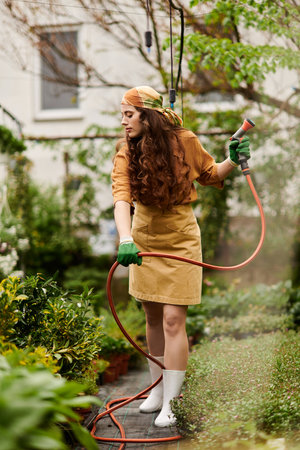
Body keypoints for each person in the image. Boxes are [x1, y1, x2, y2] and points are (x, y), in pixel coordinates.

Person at [111, 86, 250, 427]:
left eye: (129, 114)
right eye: (123, 114)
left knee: (174, 320)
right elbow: (121, 197)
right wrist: (126, 237)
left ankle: (171, 403)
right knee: (153, 317)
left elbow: (210, 175)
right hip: (143, 234)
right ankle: (157, 390)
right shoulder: (126, 150)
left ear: (149, 114)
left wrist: (232, 158)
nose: (124, 121)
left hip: (181, 236)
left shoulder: (184, 140)